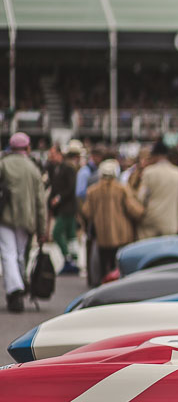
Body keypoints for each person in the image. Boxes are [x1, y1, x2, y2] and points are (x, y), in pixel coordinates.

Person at [0, 133, 47, 312]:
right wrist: (42, 229)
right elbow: (40, 202)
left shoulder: (3, 164)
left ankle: (15, 289)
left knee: (8, 253)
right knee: (19, 255)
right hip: (26, 219)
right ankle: (19, 285)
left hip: (4, 217)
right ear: (27, 148)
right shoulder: (33, 168)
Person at [81, 159, 145, 279]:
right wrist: (143, 212)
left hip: (102, 235)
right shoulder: (122, 189)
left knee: (104, 264)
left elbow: (86, 212)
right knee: (118, 265)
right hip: (121, 234)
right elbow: (133, 209)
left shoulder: (93, 191)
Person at [135, 141, 178, 240]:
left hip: (150, 221)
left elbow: (141, 197)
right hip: (170, 222)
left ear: (155, 155)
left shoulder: (148, 172)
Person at [50, 139, 83, 274]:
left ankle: (69, 258)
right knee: (71, 236)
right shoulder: (56, 168)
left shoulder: (67, 168)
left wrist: (58, 198)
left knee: (57, 233)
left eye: (53, 154)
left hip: (67, 207)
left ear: (59, 154)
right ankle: (73, 260)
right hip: (64, 208)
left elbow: (70, 188)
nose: (51, 157)